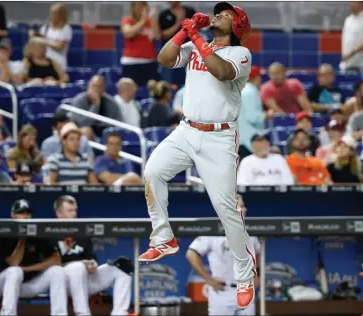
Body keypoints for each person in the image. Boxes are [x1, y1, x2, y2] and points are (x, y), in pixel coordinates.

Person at [139, 2, 256, 309]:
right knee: (152, 171)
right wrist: (183, 32)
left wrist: (195, 35)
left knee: (226, 208)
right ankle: (164, 237)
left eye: (226, 14)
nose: (218, 14)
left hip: (219, 137)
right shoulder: (194, 44)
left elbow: (220, 71)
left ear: (237, 27)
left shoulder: (240, 54)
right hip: (187, 129)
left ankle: (245, 274)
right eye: (218, 11)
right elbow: (163, 59)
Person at [53, 195, 133, 316]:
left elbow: (91, 256)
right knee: (77, 267)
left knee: (122, 266)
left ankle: (120, 312)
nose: (74, 214)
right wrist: (79, 264)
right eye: (69, 211)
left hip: (84, 279)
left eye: (75, 210)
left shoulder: (81, 231)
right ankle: (83, 313)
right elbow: (49, 266)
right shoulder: (49, 232)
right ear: (59, 214)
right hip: (61, 283)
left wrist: (92, 263)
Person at [186, 195, 260, 316]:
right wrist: (208, 279)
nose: (244, 210)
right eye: (240, 207)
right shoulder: (213, 230)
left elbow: (257, 252)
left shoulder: (250, 231)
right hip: (222, 291)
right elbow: (191, 254)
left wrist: (258, 274)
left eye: (243, 206)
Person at [0, 199, 67, 315]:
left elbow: (56, 259)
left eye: (27, 213)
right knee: (15, 271)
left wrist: (29, 269)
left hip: (30, 283)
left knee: (57, 271)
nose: (25, 217)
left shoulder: (36, 233)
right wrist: (22, 239)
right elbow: (14, 263)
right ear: (13, 215)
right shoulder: (5, 233)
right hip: (4, 285)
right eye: (21, 213)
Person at [238, 65, 274, 160]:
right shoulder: (250, 91)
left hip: (242, 139)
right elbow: (253, 117)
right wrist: (267, 114)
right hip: (249, 140)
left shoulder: (242, 90)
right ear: (256, 78)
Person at [120, 2, 160, 86]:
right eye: (137, 5)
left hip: (149, 62)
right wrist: (143, 21)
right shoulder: (128, 20)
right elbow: (127, 33)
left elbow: (158, 36)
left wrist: (152, 19)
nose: (139, 7)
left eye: (142, 4)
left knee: (152, 89)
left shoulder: (151, 21)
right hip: (131, 62)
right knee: (130, 89)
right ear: (132, 7)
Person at [158, 1, 196, 86]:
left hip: (188, 53)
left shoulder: (190, 11)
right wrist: (179, 22)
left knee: (187, 83)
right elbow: (163, 35)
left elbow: (197, 29)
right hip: (170, 54)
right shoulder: (164, 14)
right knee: (168, 84)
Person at [29, 3, 72, 70]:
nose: (52, 15)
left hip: (59, 63)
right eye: (51, 13)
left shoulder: (66, 28)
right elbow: (39, 43)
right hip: (44, 62)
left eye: (55, 13)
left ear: (61, 15)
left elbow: (59, 46)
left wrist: (43, 40)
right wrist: (34, 36)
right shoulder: (46, 27)